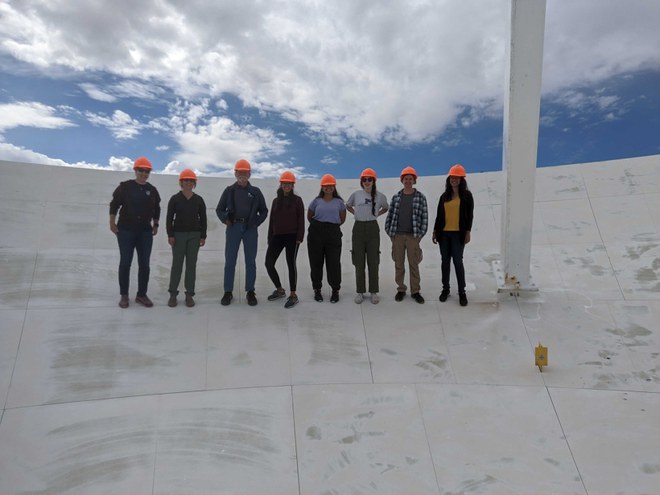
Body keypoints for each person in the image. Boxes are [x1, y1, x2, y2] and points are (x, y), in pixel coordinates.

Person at [109, 156, 161, 308]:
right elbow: (114, 205)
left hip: (145, 232)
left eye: (147, 171)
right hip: (125, 230)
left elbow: (157, 208)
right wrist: (112, 222)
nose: (144, 174)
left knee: (144, 264)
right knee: (125, 262)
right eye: (141, 170)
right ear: (135, 170)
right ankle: (124, 295)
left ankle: (141, 295)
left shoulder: (152, 190)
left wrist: (156, 224)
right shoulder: (125, 187)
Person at [216, 159, 268, 306]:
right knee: (230, 261)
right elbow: (220, 209)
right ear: (235, 173)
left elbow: (264, 210)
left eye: (245, 173)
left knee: (250, 261)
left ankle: (250, 291)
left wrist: (256, 222)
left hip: (250, 229)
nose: (242, 175)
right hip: (233, 228)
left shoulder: (255, 192)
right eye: (240, 172)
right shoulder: (229, 191)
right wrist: (225, 220)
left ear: (249, 174)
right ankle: (228, 292)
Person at [384, 166, 428, 304]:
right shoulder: (396, 197)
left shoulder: (420, 197)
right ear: (402, 180)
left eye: (410, 179)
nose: (408, 181)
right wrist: (390, 233)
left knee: (414, 264)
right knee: (399, 264)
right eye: (406, 179)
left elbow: (424, 218)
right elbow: (390, 216)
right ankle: (401, 289)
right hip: (397, 235)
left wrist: (419, 235)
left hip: (412, 236)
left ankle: (415, 291)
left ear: (414, 180)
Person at [432, 164, 474, 307]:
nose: (454, 180)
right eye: (452, 177)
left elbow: (470, 216)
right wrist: (434, 231)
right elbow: (439, 216)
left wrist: (468, 231)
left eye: (457, 178)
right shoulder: (444, 196)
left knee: (457, 262)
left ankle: (462, 292)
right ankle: (445, 289)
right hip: (444, 234)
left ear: (462, 180)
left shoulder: (467, 196)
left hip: (458, 234)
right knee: (445, 262)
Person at [346, 168, 389, 304]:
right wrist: (356, 214)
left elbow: (386, 207)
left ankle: (373, 291)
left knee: (373, 260)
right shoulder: (356, 194)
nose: (366, 182)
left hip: (372, 228)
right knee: (359, 261)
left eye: (369, 179)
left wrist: (377, 214)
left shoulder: (380, 196)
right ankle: (360, 291)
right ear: (361, 182)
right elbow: (348, 205)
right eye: (364, 180)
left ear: (374, 181)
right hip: (358, 228)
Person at [166, 169, 207, 308]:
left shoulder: (199, 200)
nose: (188, 182)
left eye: (191, 180)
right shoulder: (175, 199)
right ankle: (173, 294)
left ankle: (189, 294)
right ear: (181, 182)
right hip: (178, 235)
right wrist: (170, 234)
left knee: (191, 265)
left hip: (195, 236)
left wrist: (203, 236)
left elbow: (203, 219)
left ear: (194, 183)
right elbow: (169, 218)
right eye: (185, 180)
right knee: (177, 265)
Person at [265, 171, 305, 309]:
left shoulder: (297, 200)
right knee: (269, 263)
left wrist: (300, 237)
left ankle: (293, 295)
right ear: (281, 184)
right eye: (284, 183)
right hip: (277, 236)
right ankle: (280, 290)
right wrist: (270, 237)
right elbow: (272, 220)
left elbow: (301, 220)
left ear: (292, 185)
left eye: (289, 183)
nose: (286, 185)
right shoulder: (276, 201)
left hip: (293, 237)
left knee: (290, 264)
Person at [307, 174, 346, 303]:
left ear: (334, 187)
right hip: (316, 232)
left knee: (333, 263)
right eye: (325, 186)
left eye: (330, 185)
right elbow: (310, 216)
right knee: (316, 262)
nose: (328, 188)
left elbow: (342, 219)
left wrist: (331, 226)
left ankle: (335, 290)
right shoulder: (316, 201)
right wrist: (319, 226)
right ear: (322, 187)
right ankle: (317, 289)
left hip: (333, 233)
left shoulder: (339, 202)